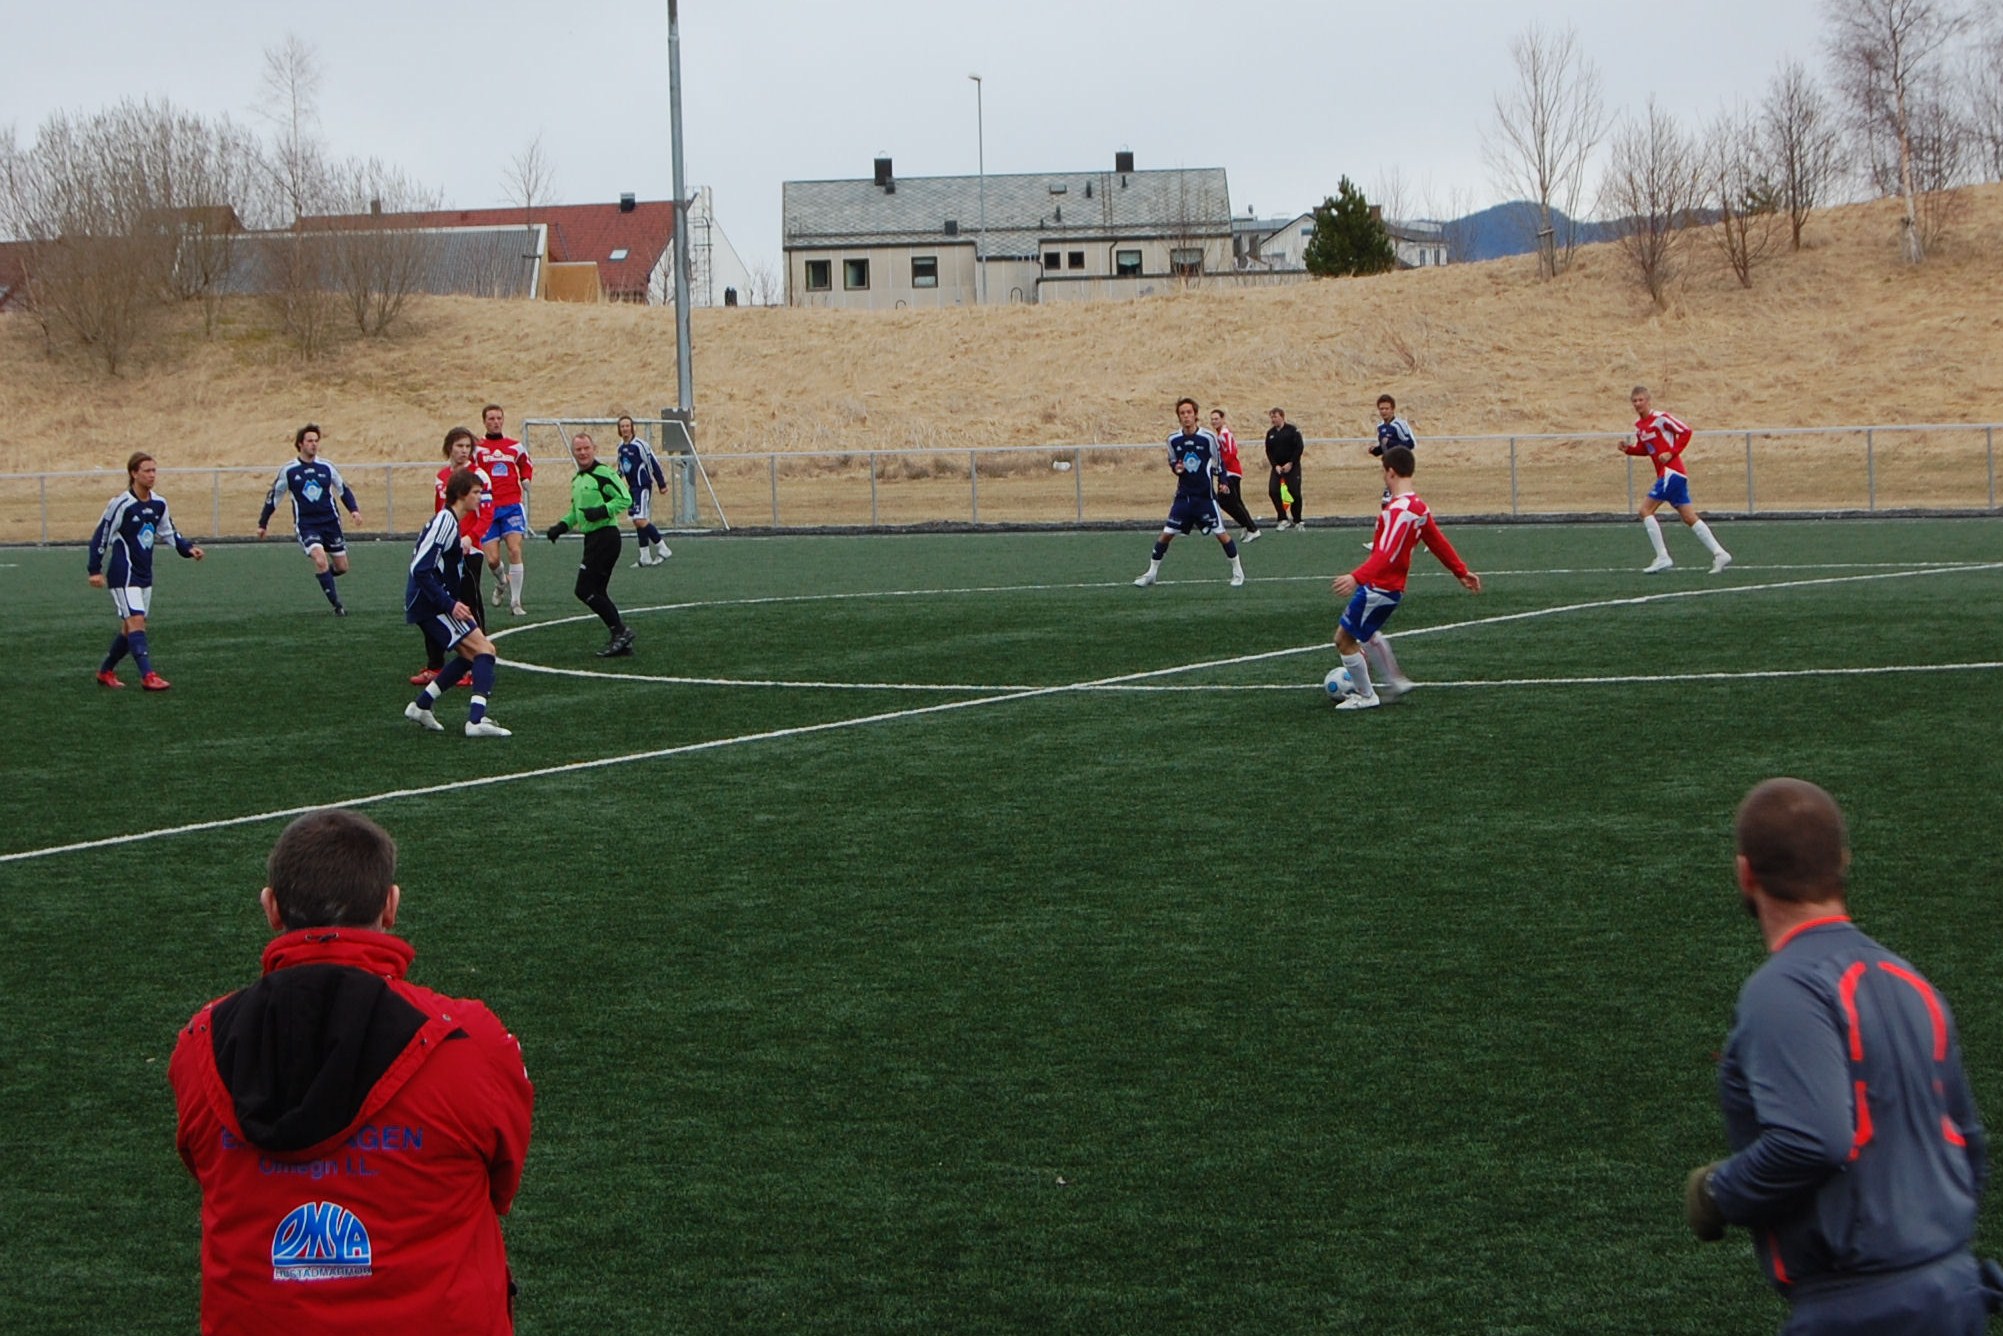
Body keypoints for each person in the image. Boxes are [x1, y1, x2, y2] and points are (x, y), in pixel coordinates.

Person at [169, 808, 533, 1335]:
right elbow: (500, 1184)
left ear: (272, 909)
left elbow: (206, 1166)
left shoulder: (200, 1041)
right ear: (390, 906)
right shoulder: (469, 1040)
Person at [1684, 778, 2000, 1335]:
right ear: (1843, 863)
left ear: (1745, 873)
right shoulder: (1910, 982)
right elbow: (1968, 1146)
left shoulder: (1783, 990)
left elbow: (1814, 1139)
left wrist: (1718, 1192)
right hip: (1952, 1296)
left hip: (1861, 1312)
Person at [1328, 445, 1480, 711]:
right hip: (1387, 587)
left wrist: (1356, 577)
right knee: (1366, 633)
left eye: (1383, 471)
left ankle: (1366, 695)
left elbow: (1386, 553)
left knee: (1343, 639)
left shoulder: (1399, 510)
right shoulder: (1417, 506)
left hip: (1380, 587)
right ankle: (1395, 681)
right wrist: (1460, 570)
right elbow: (1436, 540)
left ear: (1391, 472)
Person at [405, 469, 510, 736]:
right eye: (476, 492)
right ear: (462, 494)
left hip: (436, 601)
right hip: (430, 603)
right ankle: (476, 721)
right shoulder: (445, 521)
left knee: (470, 655)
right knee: (484, 650)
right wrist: (449, 604)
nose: (480, 498)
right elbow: (420, 569)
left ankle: (421, 706)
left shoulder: (450, 522)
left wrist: (456, 602)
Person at [87, 450, 205, 690]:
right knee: (136, 621)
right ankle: (148, 675)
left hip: (144, 574)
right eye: (147, 471)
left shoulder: (159, 503)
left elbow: (169, 532)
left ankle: (105, 671)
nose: (152, 475)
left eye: (154, 470)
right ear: (133, 474)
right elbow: (102, 535)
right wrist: (94, 569)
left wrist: (187, 549)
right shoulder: (122, 504)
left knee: (129, 627)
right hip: (124, 573)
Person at [1133, 398, 1247, 589]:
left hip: (1205, 497)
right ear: (1179, 417)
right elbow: (1173, 461)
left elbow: (1219, 463)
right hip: (1184, 497)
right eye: (1182, 413)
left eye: (1189, 412)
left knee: (1221, 534)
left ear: (1195, 415)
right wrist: (1176, 468)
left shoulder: (1208, 438)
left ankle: (1238, 572)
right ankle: (1151, 573)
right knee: (1166, 534)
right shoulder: (1173, 439)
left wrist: (1223, 482)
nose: (1186, 416)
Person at [411, 428, 494, 688]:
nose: (464, 451)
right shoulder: (442, 477)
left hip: (470, 550)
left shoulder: (479, 476)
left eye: (468, 446)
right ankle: (435, 665)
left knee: (469, 603)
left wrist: (471, 537)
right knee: (436, 603)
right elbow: (442, 513)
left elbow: (487, 513)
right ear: (449, 448)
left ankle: (477, 660)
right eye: (459, 446)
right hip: (447, 551)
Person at [1622, 386, 1732, 574]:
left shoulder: (1661, 418)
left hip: (1671, 472)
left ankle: (1663, 557)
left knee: (1645, 510)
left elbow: (1686, 432)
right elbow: (1646, 449)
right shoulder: (1640, 427)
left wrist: (1671, 453)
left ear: (1648, 401)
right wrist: (1628, 449)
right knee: (1689, 517)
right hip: (1671, 475)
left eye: (1641, 400)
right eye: (1635, 401)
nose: (1638, 404)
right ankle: (1720, 553)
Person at [257, 424, 363, 616]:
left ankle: (324, 577)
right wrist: (263, 523)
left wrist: (354, 510)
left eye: (316, 441)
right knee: (320, 559)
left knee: (342, 567)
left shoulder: (327, 467)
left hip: (331, 523)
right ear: (300, 444)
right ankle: (337, 606)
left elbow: (343, 489)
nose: (314, 444)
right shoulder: (289, 471)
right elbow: (274, 497)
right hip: (307, 525)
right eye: (309, 441)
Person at [545, 432, 635, 656]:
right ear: (573, 452)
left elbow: (625, 498)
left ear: (594, 449)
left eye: (586, 448)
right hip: (592, 540)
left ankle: (621, 631)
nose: (583, 453)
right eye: (578, 449)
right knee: (597, 590)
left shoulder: (603, 473)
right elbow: (576, 512)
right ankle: (620, 638)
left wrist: (602, 511)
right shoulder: (578, 480)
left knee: (584, 589)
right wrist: (561, 527)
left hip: (606, 537)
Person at [473, 404, 534, 615]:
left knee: (515, 550)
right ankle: (501, 582)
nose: (496, 422)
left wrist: (526, 478)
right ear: (484, 422)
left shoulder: (514, 446)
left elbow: (526, 464)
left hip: (512, 506)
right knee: (492, 560)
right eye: (491, 418)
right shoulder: (477, 449)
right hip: (487, 508)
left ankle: (516, 602)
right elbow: (469, 471)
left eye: (499, 418)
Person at [614, 415, 673, 567]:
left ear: (632, 428)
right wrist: (613, 482)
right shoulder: (620, 448)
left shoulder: (640, 445)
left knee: (640, 519)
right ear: (619, 429)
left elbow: (653, 463)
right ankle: (645, 557)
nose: (625, 429)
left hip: (642, 486)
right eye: (622, 426)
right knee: (637, 520)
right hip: (632, 488)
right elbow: (621, 469)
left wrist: (661, 484)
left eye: (627, 426)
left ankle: (663, 548)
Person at [1207, 407, 1261, 542]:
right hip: (1229, 472)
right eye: (1212, 419)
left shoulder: (1224, 434)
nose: (1214, 421)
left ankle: (1252, 528)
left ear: (1222, 419)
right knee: (1236, 501)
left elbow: (1231, 452)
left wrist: (1221, 467)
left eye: (1216, 419)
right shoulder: (1220, 434)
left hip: (1230, 472)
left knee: (1226, 501)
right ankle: (1246, 525)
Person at [1264, 406, 1305, 529]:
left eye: (1275, 417)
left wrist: (1291, 463)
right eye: (1271, 417)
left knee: (1294, 492)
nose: (1273, 419)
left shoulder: (1292, 430)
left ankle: (1297, 520)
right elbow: (1268, 451)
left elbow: (1299, 447)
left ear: (1282, 417)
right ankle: (1282, 518)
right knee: (1273, 491)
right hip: (1277, 468)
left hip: (1292, 467)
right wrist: (1275, 465)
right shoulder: (1270, 433)